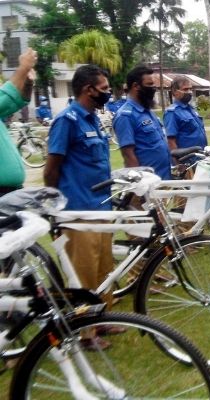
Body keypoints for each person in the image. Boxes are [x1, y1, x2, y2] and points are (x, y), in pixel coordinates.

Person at [43, 64, 118, 351]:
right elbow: (52, 170)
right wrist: (54, 208)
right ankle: (85, 334)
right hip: (77, 209)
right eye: (105, 88)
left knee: (103, 268)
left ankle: (102, 320)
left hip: (101, 205)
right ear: (89, 90)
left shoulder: (92, 120)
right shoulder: (68, 120)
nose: (108, 93)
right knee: (84, 273)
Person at [113, 65, 172, 180]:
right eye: (149, 84)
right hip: (148, 185)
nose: (153, 88)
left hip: (164, 178)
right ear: (136, 86)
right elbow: (128, 155)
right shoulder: (126, 116)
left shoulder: (147, 111)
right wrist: (140, 185)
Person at [0, 49, 37, 196]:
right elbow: (5, 99)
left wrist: (27, 83)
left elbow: (15, 102)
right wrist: (23, 68)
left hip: (9, 193)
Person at [163, 76, 207, 151]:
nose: (189, 92)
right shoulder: (172, 113)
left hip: (201, 155)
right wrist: (177, 162)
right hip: (186, 159)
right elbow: (171, 141)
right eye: (185, 89)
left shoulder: (191, 109)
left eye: (190, 89)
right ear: (175, 92)